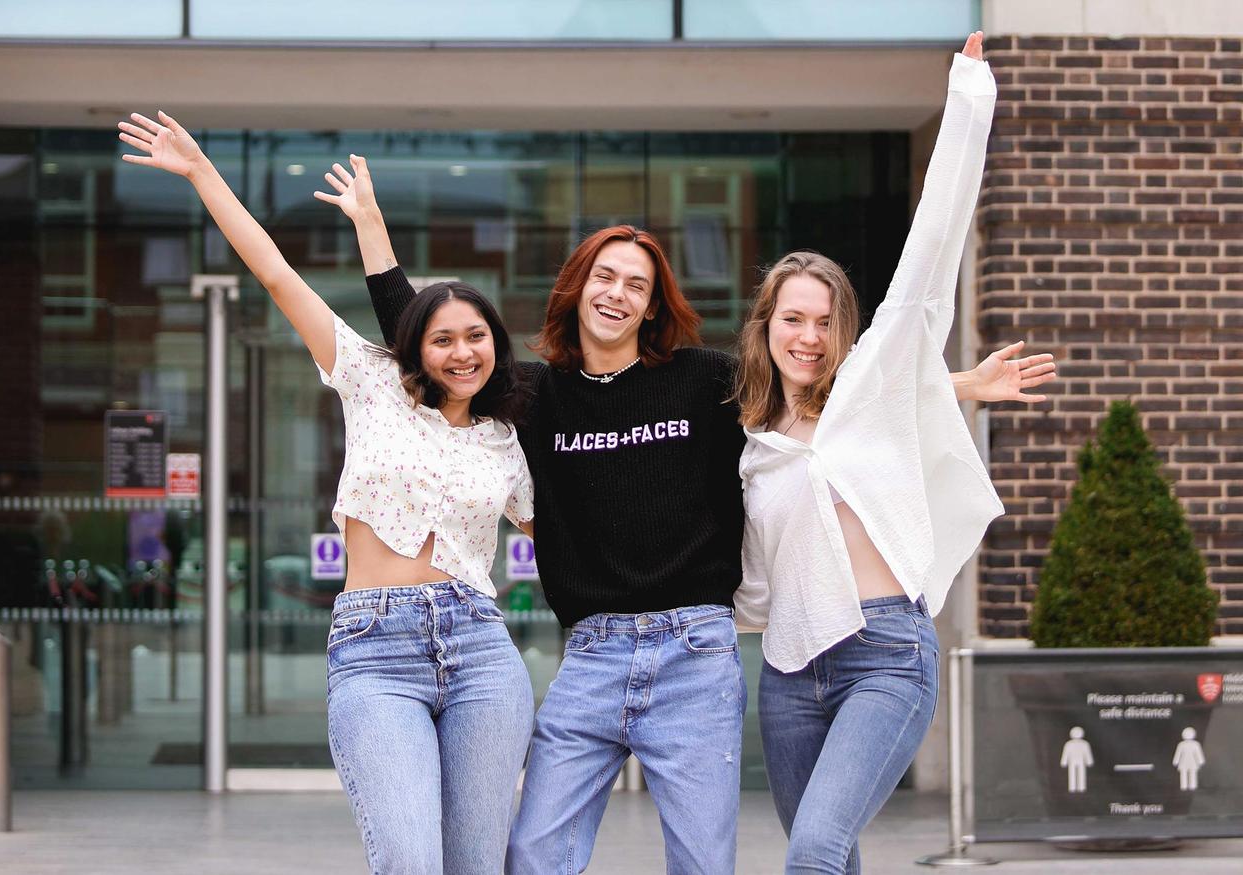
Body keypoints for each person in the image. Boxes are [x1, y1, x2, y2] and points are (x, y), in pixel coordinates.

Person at [323, 107, 1052, 872]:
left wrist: (959, 383)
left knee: (703, 862)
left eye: (636, 284)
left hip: (696, 652)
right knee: (534, 853)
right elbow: (433, 340)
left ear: (652, 301)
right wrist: (373, 230)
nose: (618, 293)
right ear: (578, 289)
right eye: (604, 276)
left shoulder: (707, 382)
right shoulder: (535, 398)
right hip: (592, 654)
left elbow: (826, 399)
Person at [117, 113, 535, 874]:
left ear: (496, 346)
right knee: (410, 859)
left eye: (476, 336)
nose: (461, 351)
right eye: (443, 338)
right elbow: (276, 273)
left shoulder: (507, 441)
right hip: (377, 650)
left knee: (479, 865)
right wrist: (203, 172)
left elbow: (567, 536)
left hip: (481, 647)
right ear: (416, 346)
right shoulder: (370, 379)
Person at [730, 33, 1048, 874]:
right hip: (789, 670)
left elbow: (932, 245)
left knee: (815, 851)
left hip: (884, 651)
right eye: (790, 318)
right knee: (831, 855)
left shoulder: (873, 388)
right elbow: (750, 580)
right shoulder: (753, 445)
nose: (807, 333)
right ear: (766, 326)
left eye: (823, 317)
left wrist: (969, 99)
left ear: (847, 327)